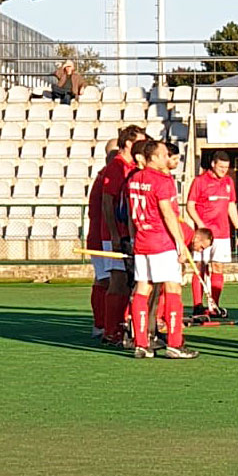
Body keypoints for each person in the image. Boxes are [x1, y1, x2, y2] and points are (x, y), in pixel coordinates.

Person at [128, 140, 198, 359]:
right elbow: (168, 214)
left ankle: (141, 343)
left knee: (142, 289)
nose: (168, 158)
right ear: (155, 157)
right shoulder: (162, 180)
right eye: (165, 154)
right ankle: (175, 344)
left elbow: (131, 213)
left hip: (142, 241)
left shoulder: (134, 179)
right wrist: (180, 243)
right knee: (173, 289)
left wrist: (133, 237)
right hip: (162, 242)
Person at [100, 125, 147, 346]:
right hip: (117, 233)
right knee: (118, 281)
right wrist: (114, 234)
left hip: (127, 232)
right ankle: (110, 330)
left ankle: (124, 327)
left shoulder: (131, 167)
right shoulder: (117, 166)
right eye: (139, 142)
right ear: (128, 143)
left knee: (129, 281)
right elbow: (107, 202)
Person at [186, 150, 238, 317]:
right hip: (204, 235)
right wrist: (201, 226)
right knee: (200, 267)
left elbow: (231, 205)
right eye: (220, 167)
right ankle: (197, 305)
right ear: (213, 164)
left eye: (226, 167)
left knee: (218, 267)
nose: (224, 171)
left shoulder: (228, 182)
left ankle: (214, 305)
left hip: (222, 233)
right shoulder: (200, 181)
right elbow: (190, 206)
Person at [86, 139, 119, 339]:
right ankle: (103, 324)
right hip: (102, 237)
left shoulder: (104, 175)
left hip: (101, 236)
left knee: (105, 280)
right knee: (107, 280)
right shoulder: (108, 176)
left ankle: (103, 324)